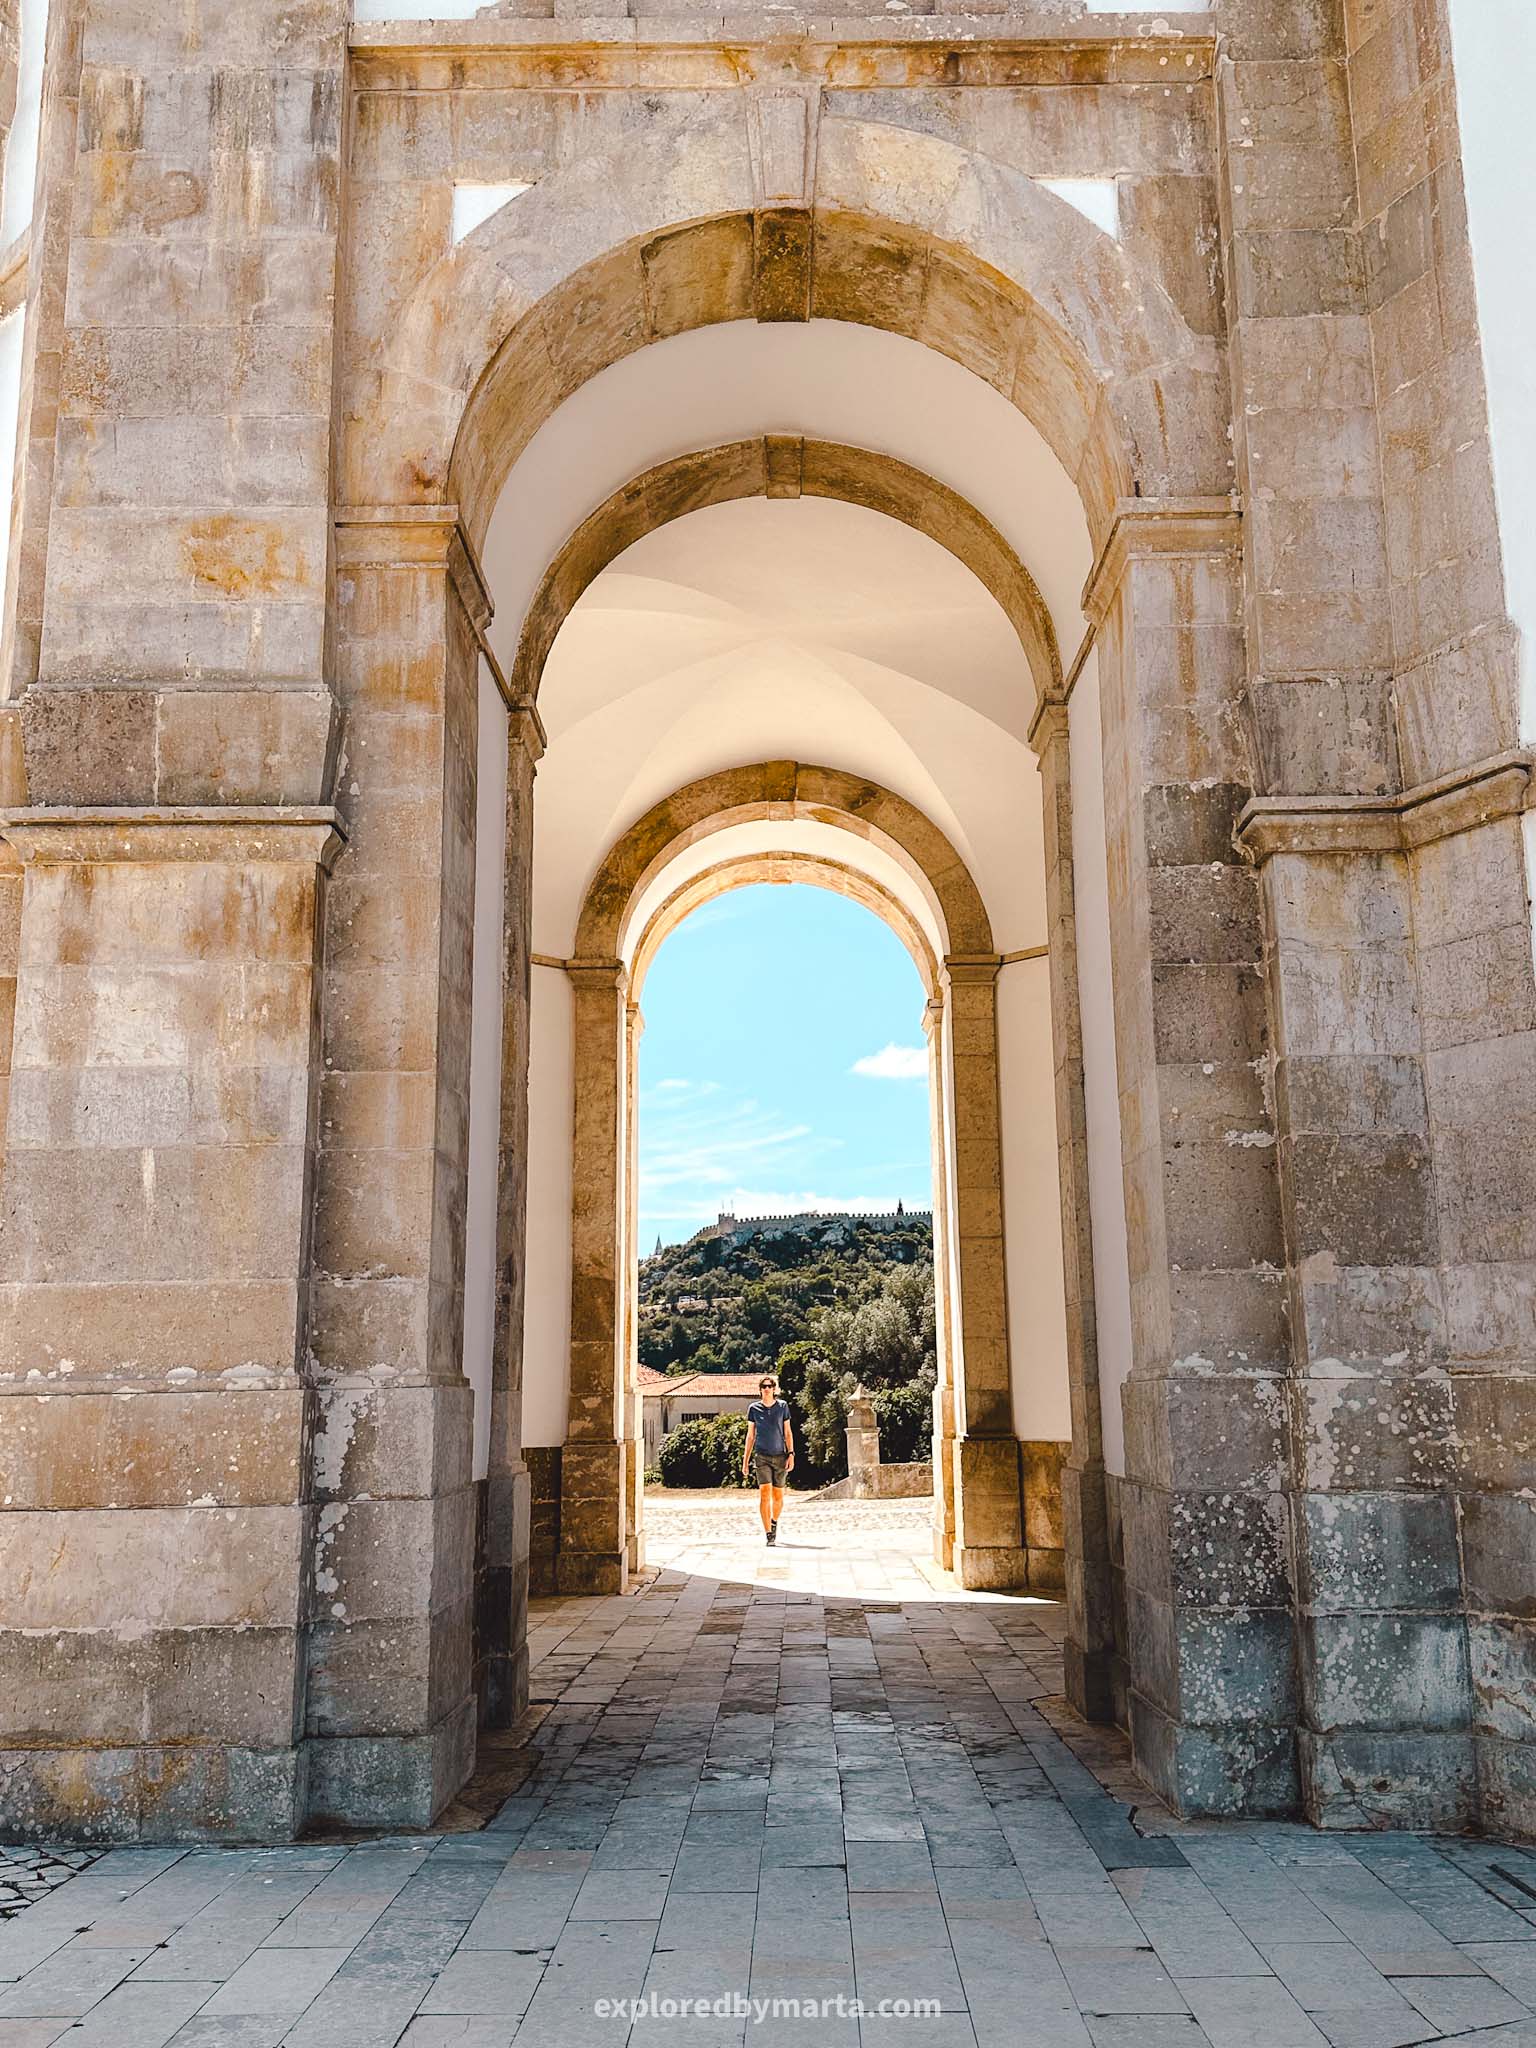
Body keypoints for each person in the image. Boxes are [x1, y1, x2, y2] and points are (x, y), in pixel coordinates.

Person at [742, 1374, 795, 1545]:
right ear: (760, 1390)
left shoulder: (782, 1407)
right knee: (765, 1494)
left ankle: (774, 1521)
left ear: (774, 1389)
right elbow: (750, 1436)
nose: (766, 1389)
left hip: (780, 1456)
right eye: (763, 1386)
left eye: (769, 1386)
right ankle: (768, 1534)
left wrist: (791, 1454)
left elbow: (788, 1432)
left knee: (778, 1497)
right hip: (762, 1456)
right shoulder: (753, 1409)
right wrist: (745, 1460)